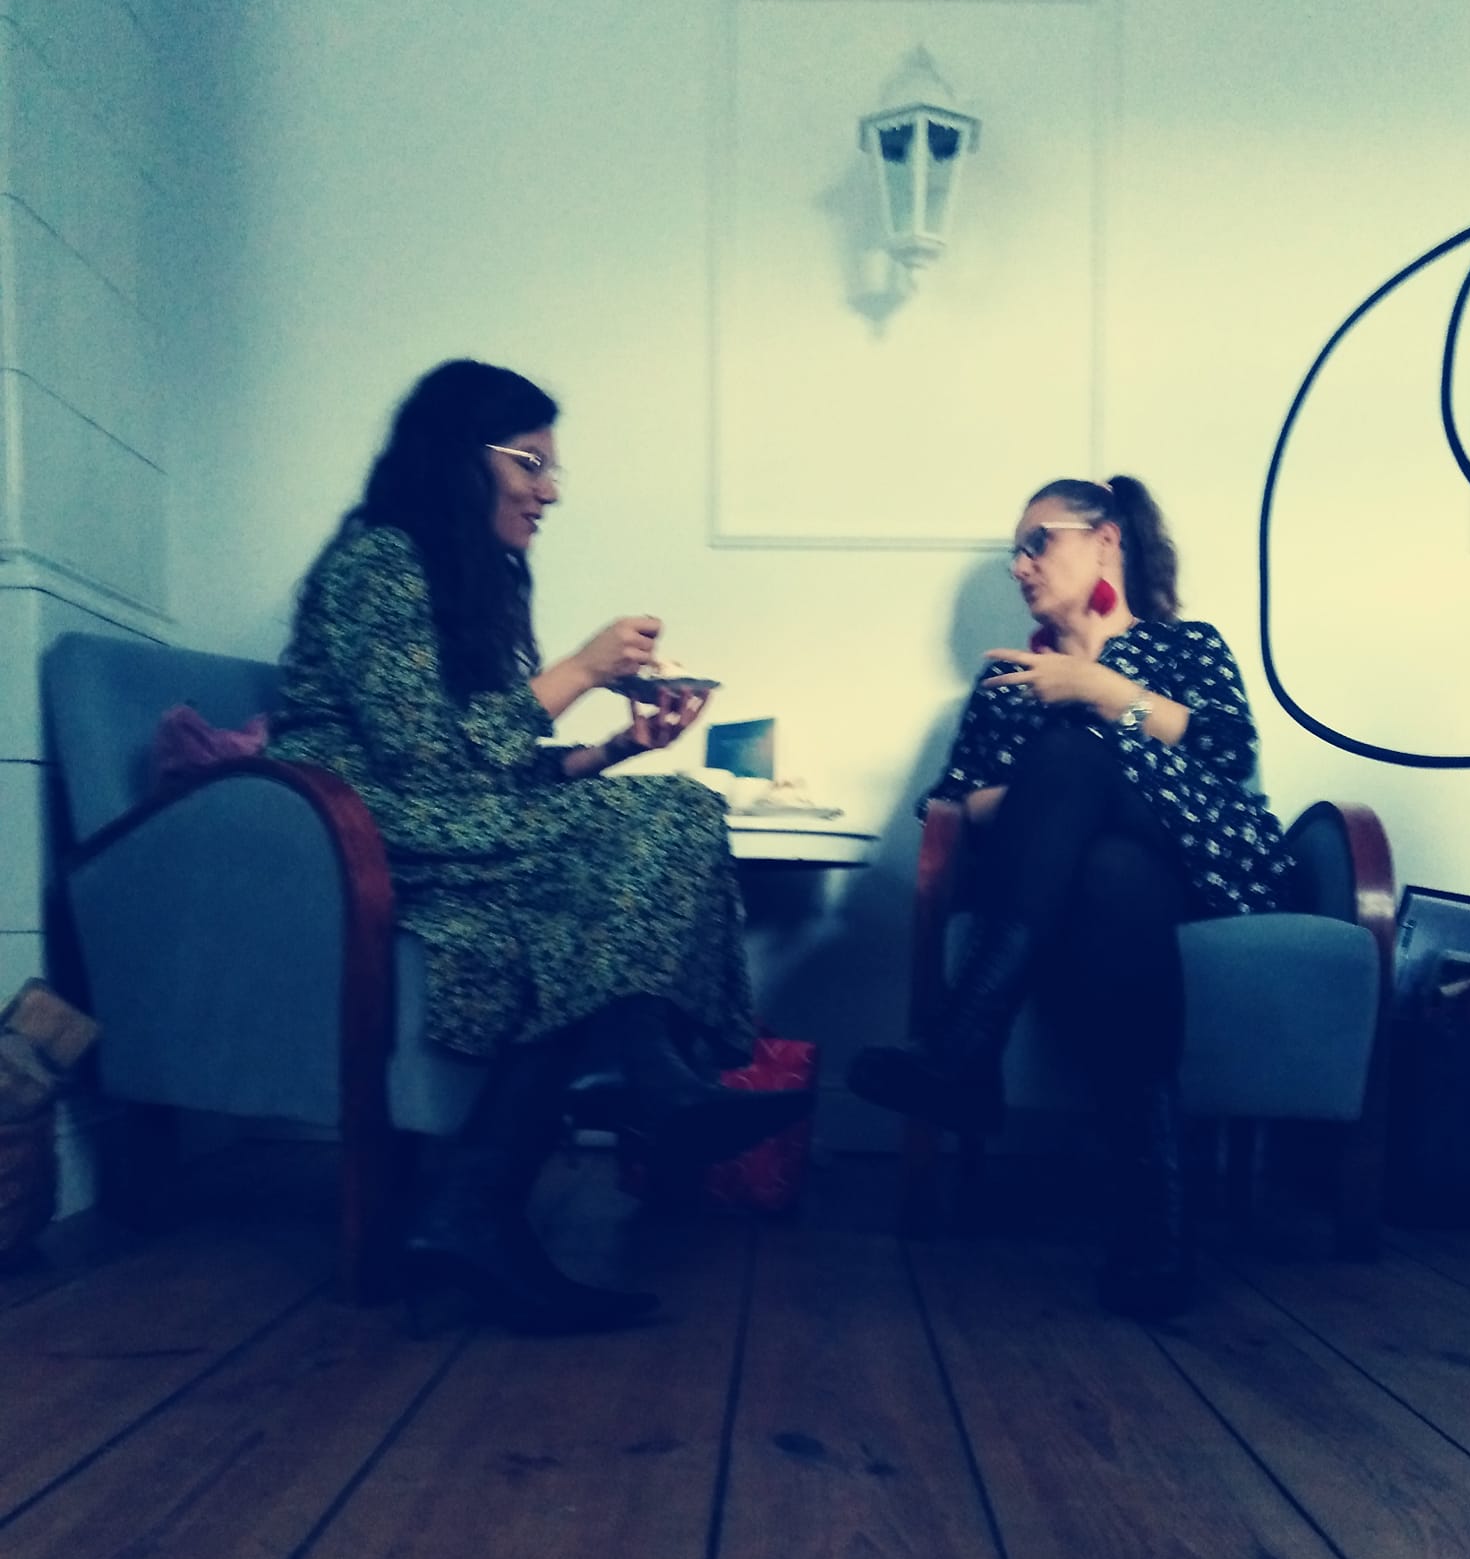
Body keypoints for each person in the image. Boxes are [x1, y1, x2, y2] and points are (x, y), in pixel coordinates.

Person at [268, 359, 807, 1332]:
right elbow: (428, 761)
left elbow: (487, 761)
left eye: (551, 469)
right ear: (457, 457)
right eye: (530, 462)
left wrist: (614, 749)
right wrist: (582, 669)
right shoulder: (378, 561)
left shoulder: (457, 578)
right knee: (672, 815)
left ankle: (492, 1192)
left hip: (433, 818)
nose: (549, 490)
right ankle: (646, 1074)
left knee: (661, 815)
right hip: (354, 827)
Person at [848, 474, 1292, 1314]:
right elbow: (953, 802)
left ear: (1106, 540)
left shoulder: (1186, 646)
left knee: (1073, 751)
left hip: (1205, 858)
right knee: (1109, 872)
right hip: (1099, 891)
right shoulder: (1010, 679)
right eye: (1014, 553)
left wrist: (1099, 693)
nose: (1020, 565)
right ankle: (1157, 1235)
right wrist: (1051, 803)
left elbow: (1228, 753)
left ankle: (965, 1043)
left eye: (1037, 542)